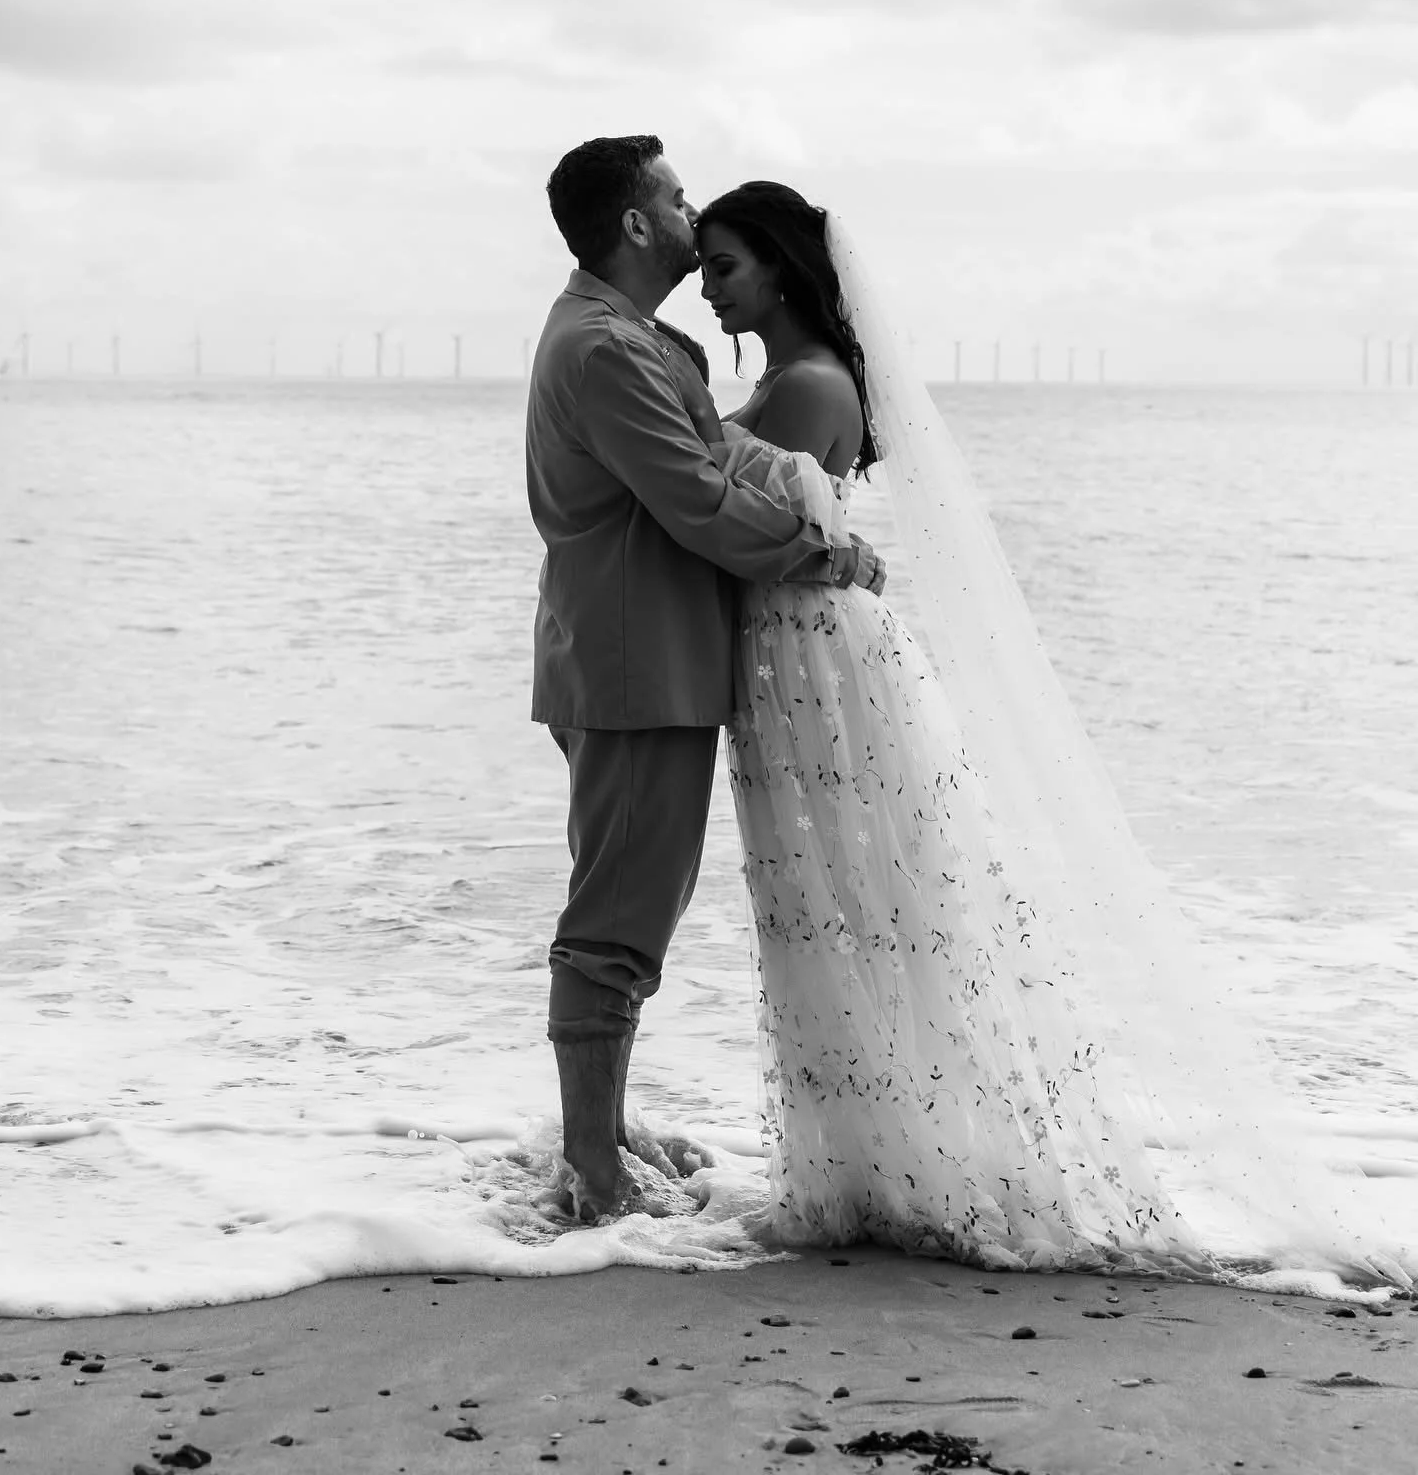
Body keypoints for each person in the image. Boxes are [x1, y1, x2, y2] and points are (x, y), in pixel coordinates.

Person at [694, 182, 1412, 1290]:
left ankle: (893, 1172)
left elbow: (737, 529)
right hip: (798, 658)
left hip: (811, 662)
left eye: (725, 266)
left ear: (783, 268)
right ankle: (880, 1165)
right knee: (836, 908)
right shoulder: (801, 379)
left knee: (847, 907)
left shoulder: (802, 386)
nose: (707, 288)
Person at [526, 137, 884, 1222]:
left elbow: (709, 469)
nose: (693, 214)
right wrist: (826, 554)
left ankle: (602, 1132)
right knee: (618, 920)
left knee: (633, 901)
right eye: (678, 200)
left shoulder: (631, 336)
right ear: (638, 224)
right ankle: (591, 1171)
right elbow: (697, 498)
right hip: (638, 663)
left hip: (640, 652)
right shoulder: (608, 348)